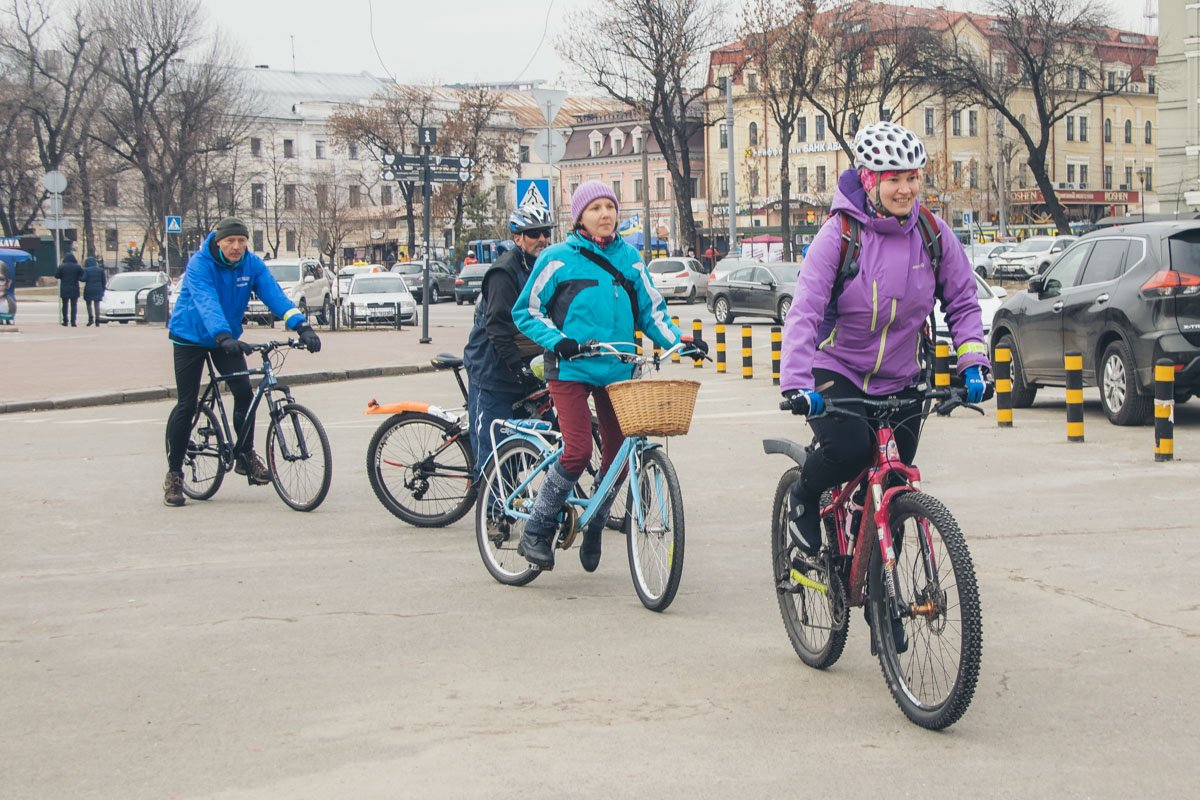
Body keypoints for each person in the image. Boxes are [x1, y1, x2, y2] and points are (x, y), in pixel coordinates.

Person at [779, 121, 991, 649]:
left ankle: (878, 590)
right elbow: (804, 310)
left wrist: (972, 364)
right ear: (869, 180)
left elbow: (963, 302)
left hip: (901, 376)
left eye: (913, 177)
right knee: (849, 450)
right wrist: (798, 381)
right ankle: (804, 496)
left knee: (892, 485)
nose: (905, 188)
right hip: (838, 370)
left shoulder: (933, 235)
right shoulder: (840, 235)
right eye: (894, 178)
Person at [512, 180, 704, 573]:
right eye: (595, 207)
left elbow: (653, 312)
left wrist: (679, 342)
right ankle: (537, 528)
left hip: (618, 368)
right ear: (580, 216)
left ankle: (596, 519)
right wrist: (558, 341)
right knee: (579, 448)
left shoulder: (631, 259)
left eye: (610, 206)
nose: (605, 214)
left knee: (619, 453)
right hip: (570, 367)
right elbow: (527, 311)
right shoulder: (558, 257)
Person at [162, 217, 322, 507]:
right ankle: (174, 474)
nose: (236, 247)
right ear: (219, 241)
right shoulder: (200, 264)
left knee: (244, 392)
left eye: (241, 241)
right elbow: (206, 301)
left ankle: (245, 456)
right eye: (230, 242)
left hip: (225, 337)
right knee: (186, 404)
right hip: (190, 335)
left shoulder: (252, 265)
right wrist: (223, 335)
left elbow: (275, 296)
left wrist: (302, 326)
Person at [462, 205, 554, 477]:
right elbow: (497, 328)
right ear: (517, 238)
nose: (542, 240)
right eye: (534, 233)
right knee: (494, 451)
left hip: (527, 367)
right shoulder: (504, 273)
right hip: (493, 368)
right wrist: (517, 367)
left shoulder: (543, 267)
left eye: (546, 233)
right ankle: (490, 511)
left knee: (550, 433)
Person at [55, 252, 83, 327]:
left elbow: (57, 276)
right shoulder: (77, 267)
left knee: (65, 305)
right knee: (74, 306)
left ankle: (65, 321)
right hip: (74, 288)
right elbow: (82, 275)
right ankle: (73, 322)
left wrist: (62, 276)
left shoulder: (61, 267)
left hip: (64, 288)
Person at [81, 256, 106, 327]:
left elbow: (83, 279)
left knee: (88, 304)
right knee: (97, 304)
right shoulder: (100, 270)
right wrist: (103, 290)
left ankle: (90, 319)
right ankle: (97, 320)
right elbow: (104, 281)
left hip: (89, 289)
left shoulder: (86, 270)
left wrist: (79, 276)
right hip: (98, 289)